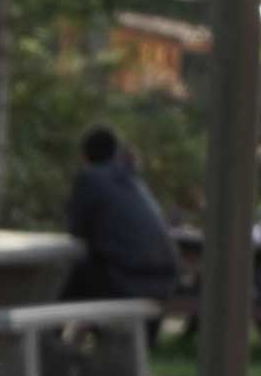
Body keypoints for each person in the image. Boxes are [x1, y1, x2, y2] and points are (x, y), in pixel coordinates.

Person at [60, 124, 181, 302]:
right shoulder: (133, 181)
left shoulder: (90, 178)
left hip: (129, 283)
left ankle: (43, 329)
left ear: (84, 156)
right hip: (165, 284)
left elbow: (77, 231)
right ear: (115, 152)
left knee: (64, 279)